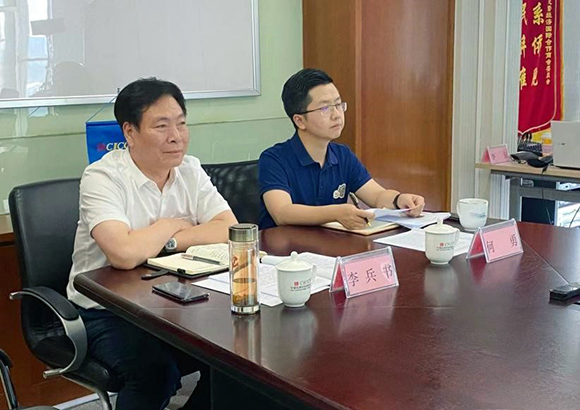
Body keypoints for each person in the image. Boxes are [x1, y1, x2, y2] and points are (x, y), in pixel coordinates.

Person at [66, 77, 237, 410]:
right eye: (161, 126)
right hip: (105, 311)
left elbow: (228, 228)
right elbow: (123, 253)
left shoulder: (190, 169)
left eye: (181, 123)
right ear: (130, 132)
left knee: (232, 359)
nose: (176, 136)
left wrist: (165, 241)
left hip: (173, 303)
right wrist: (170, 224)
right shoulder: (103, 177)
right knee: (155, 373)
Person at [259, 68, 425, 230]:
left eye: (338, 104)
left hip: (331, 244)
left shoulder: (342, 155)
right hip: (286, 246)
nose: (337, 115)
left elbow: (376, 195)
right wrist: (336, 213)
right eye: (325, 108)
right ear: (300, 121)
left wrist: (399, 200)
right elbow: (282, 213)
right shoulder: (274, 159)